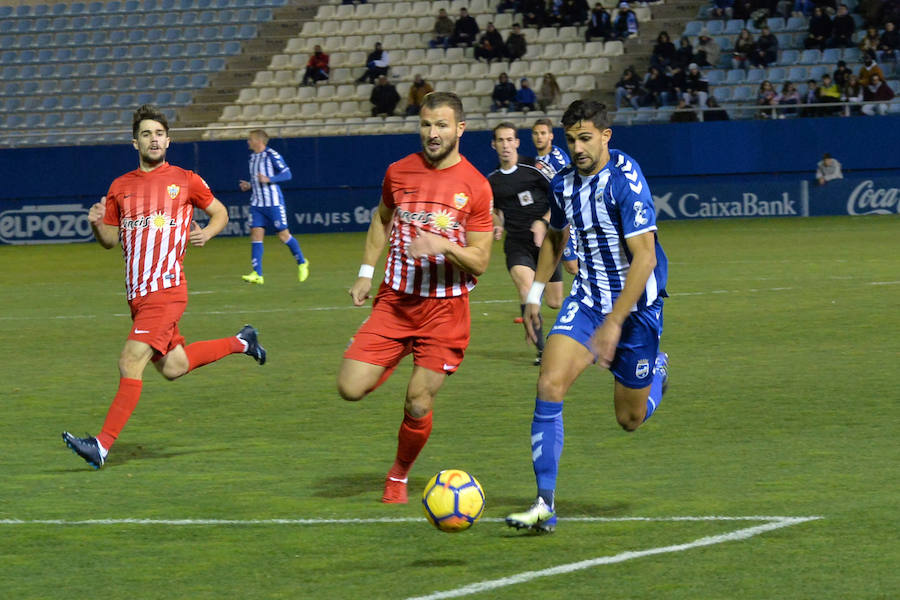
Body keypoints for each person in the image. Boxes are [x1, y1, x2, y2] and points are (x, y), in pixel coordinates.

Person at [61, 104, 267, 470]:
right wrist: (96, 224)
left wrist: (208, 231)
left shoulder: (185, 180)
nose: (153, 139)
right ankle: (243, 341)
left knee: (130, 360)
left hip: (167, 290)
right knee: (174, 365)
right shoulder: (120, 187)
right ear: (134, 142)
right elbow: (109, 240)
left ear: (168, 140)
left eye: (159, 134)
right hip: (138, 297)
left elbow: (220, 211)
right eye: (146, 134)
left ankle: (101, 446)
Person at [505, 100, 669, 532]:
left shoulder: (625, 180)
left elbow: (646, 258)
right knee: (549, 382)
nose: (577, 147)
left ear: (605, 136)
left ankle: (657, 373)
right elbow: (557, 237)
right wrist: (535, 295)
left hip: (637, 309)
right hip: (590, 298)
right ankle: (544, 503)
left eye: (585, 138)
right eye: (571, 139)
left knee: (629, 419)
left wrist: (616, 322)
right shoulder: (562, 185)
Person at [337, 92, 494, 504]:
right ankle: (393, 356)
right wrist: (365, 273)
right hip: (394, 303)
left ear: (460, 129)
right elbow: (381, 218)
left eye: (441, 125)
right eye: (426, 124)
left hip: (445, 312)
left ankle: (399, 475)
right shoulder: (399, 172)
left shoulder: (476, 186)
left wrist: (444, 246)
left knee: (418, 401)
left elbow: (479, 261)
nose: (432, 133)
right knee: (350, 388)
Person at [488, 123, 564, 364]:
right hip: (517, 244)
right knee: (527, 289)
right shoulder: (492, 180)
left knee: (554, 302)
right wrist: (497, 223)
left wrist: (543, 221)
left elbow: (560, 198)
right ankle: (543, 351)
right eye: (500, 140)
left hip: (546, 243)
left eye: (510, 139)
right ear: (494, 145)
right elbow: (495, 211)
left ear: (517, 142)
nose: (505, 145)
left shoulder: (536, 168)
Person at [239, 129, 309, 285]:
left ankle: (302, 262)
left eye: (250, 139)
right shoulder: (252, 158)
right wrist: (249, 185)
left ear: (259, 141)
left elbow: (287, 174)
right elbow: (259, 181)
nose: (248, 142)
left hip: (273, 203)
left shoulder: (272, 155)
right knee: (256, 235)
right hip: (257, 203)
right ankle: (257, 274)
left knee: (283, 235)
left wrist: (269, 179)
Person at [531, 118, 575, 276]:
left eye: (543, 133)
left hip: (566, 218)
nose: (539, 137)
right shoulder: (537, 160)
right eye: (535, 133)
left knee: (573, 266)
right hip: (553, 219)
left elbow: (568, 188)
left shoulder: (557, 159)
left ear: (551, 136)